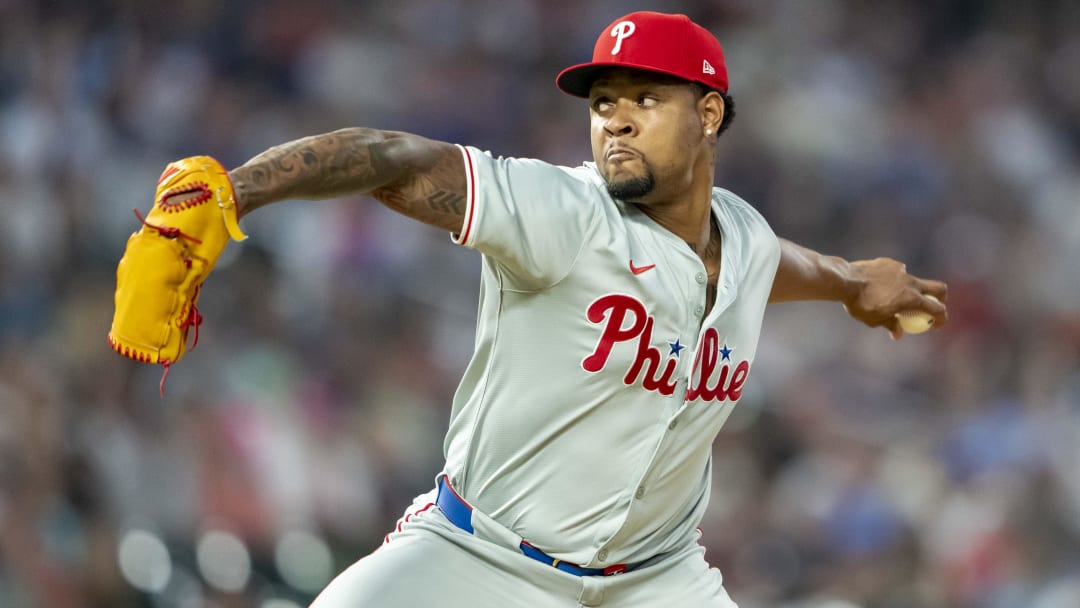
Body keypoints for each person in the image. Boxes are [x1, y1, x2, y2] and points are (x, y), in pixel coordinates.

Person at [215, 11, 947, 607]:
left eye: (645, 99)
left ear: (710, 113)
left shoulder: (744, 235)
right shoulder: (564, 211)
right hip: (482, 558)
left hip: (656, 580)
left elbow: (778, 266)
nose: (616, 122)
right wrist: (233, 195)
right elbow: (390, 158)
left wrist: (853, 283)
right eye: (604, 103)